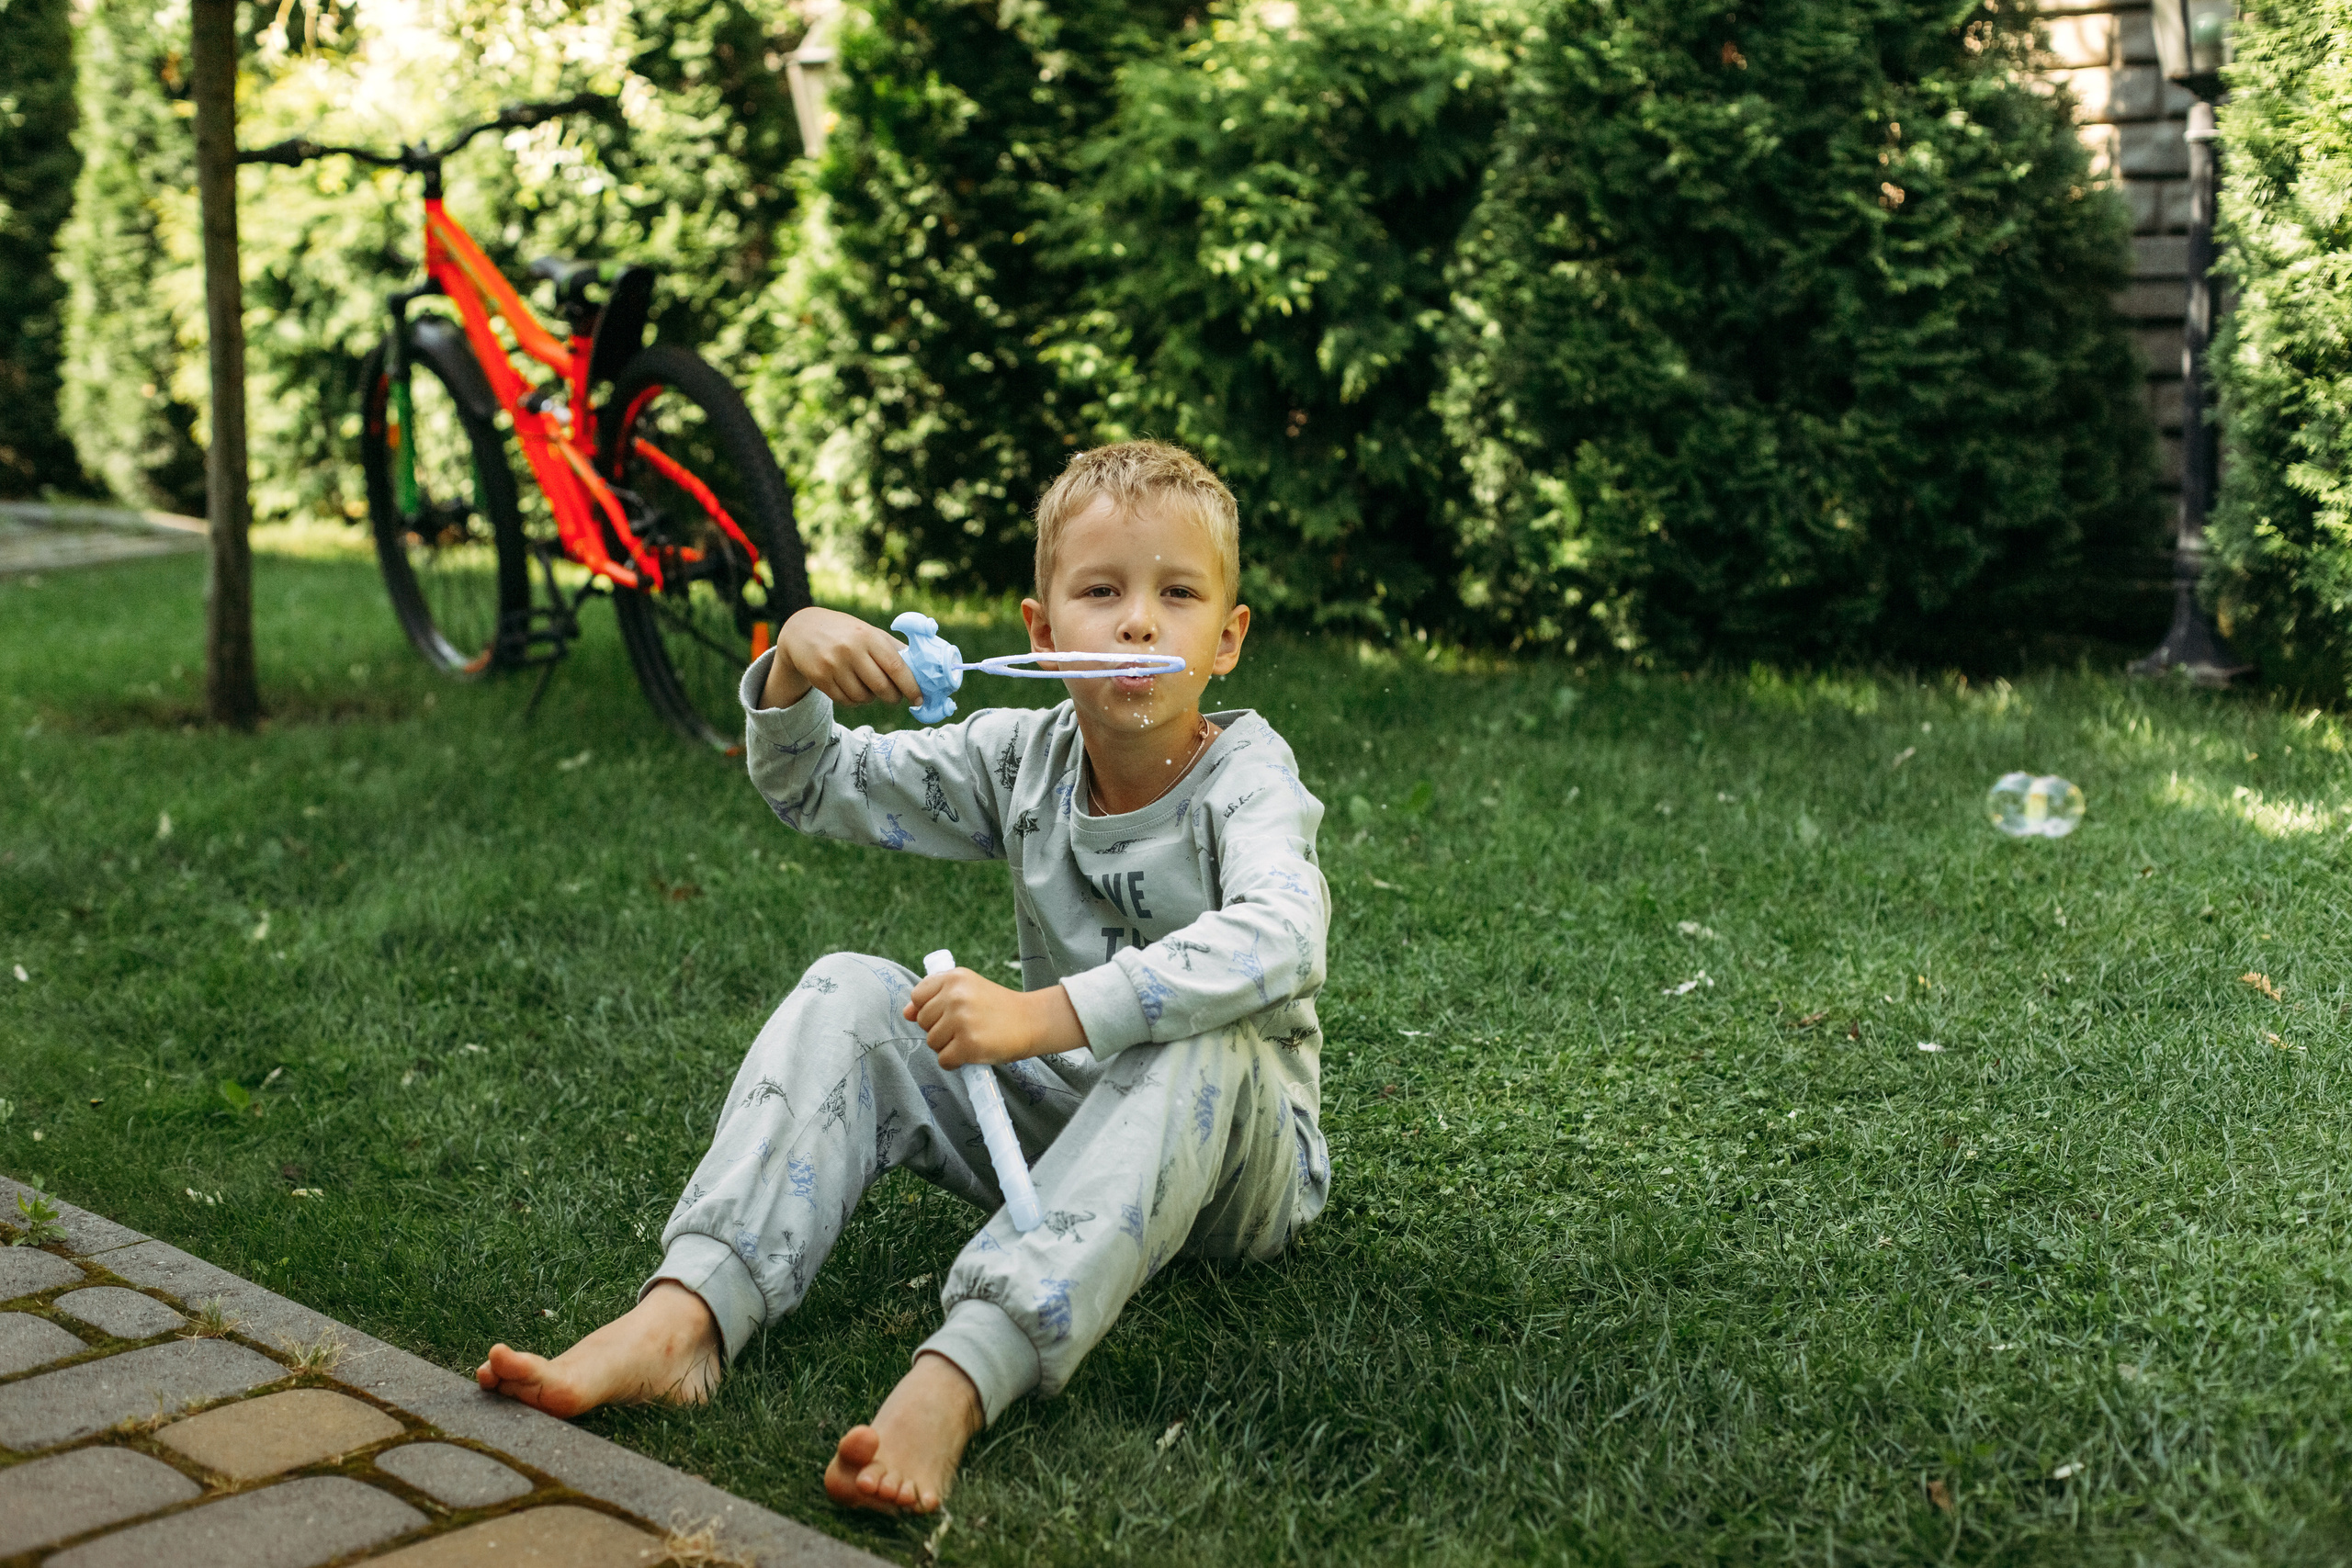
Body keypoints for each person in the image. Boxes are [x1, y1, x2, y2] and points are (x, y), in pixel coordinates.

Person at [476, 440, 1331, 1514]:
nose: (1139, 624)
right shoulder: (1021, 757)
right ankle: (686, 1317)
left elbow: (1282, 936)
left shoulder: (1246, 777)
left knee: (1201, 1032)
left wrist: (1041, 1014)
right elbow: (813, 783)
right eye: (1101, 591)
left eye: (1178, 594)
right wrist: (794, 658)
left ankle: (958, 1376)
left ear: (1228, 638)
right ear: (1038, 630)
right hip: (1068, 1125)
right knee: (848, 988)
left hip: (1236, 1164)